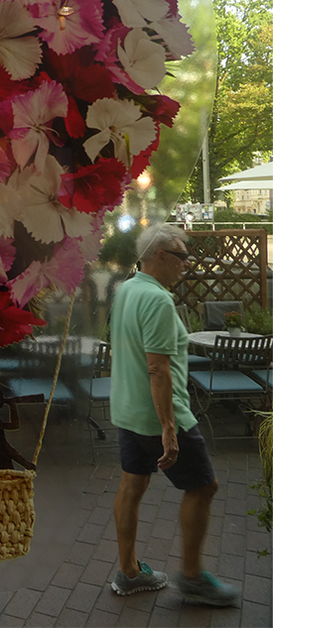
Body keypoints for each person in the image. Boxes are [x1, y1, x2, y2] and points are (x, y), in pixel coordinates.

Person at [106, 224, 240, 606]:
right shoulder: (159, 301)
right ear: (159, 255)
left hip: (128, 409)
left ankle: (129, 573)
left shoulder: (127, 289)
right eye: (181, 255)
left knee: (132, 486)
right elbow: (158, 369)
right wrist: (168, 427)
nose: (187, 263)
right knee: (203, 487)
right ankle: (194, 579)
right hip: (162, 415)